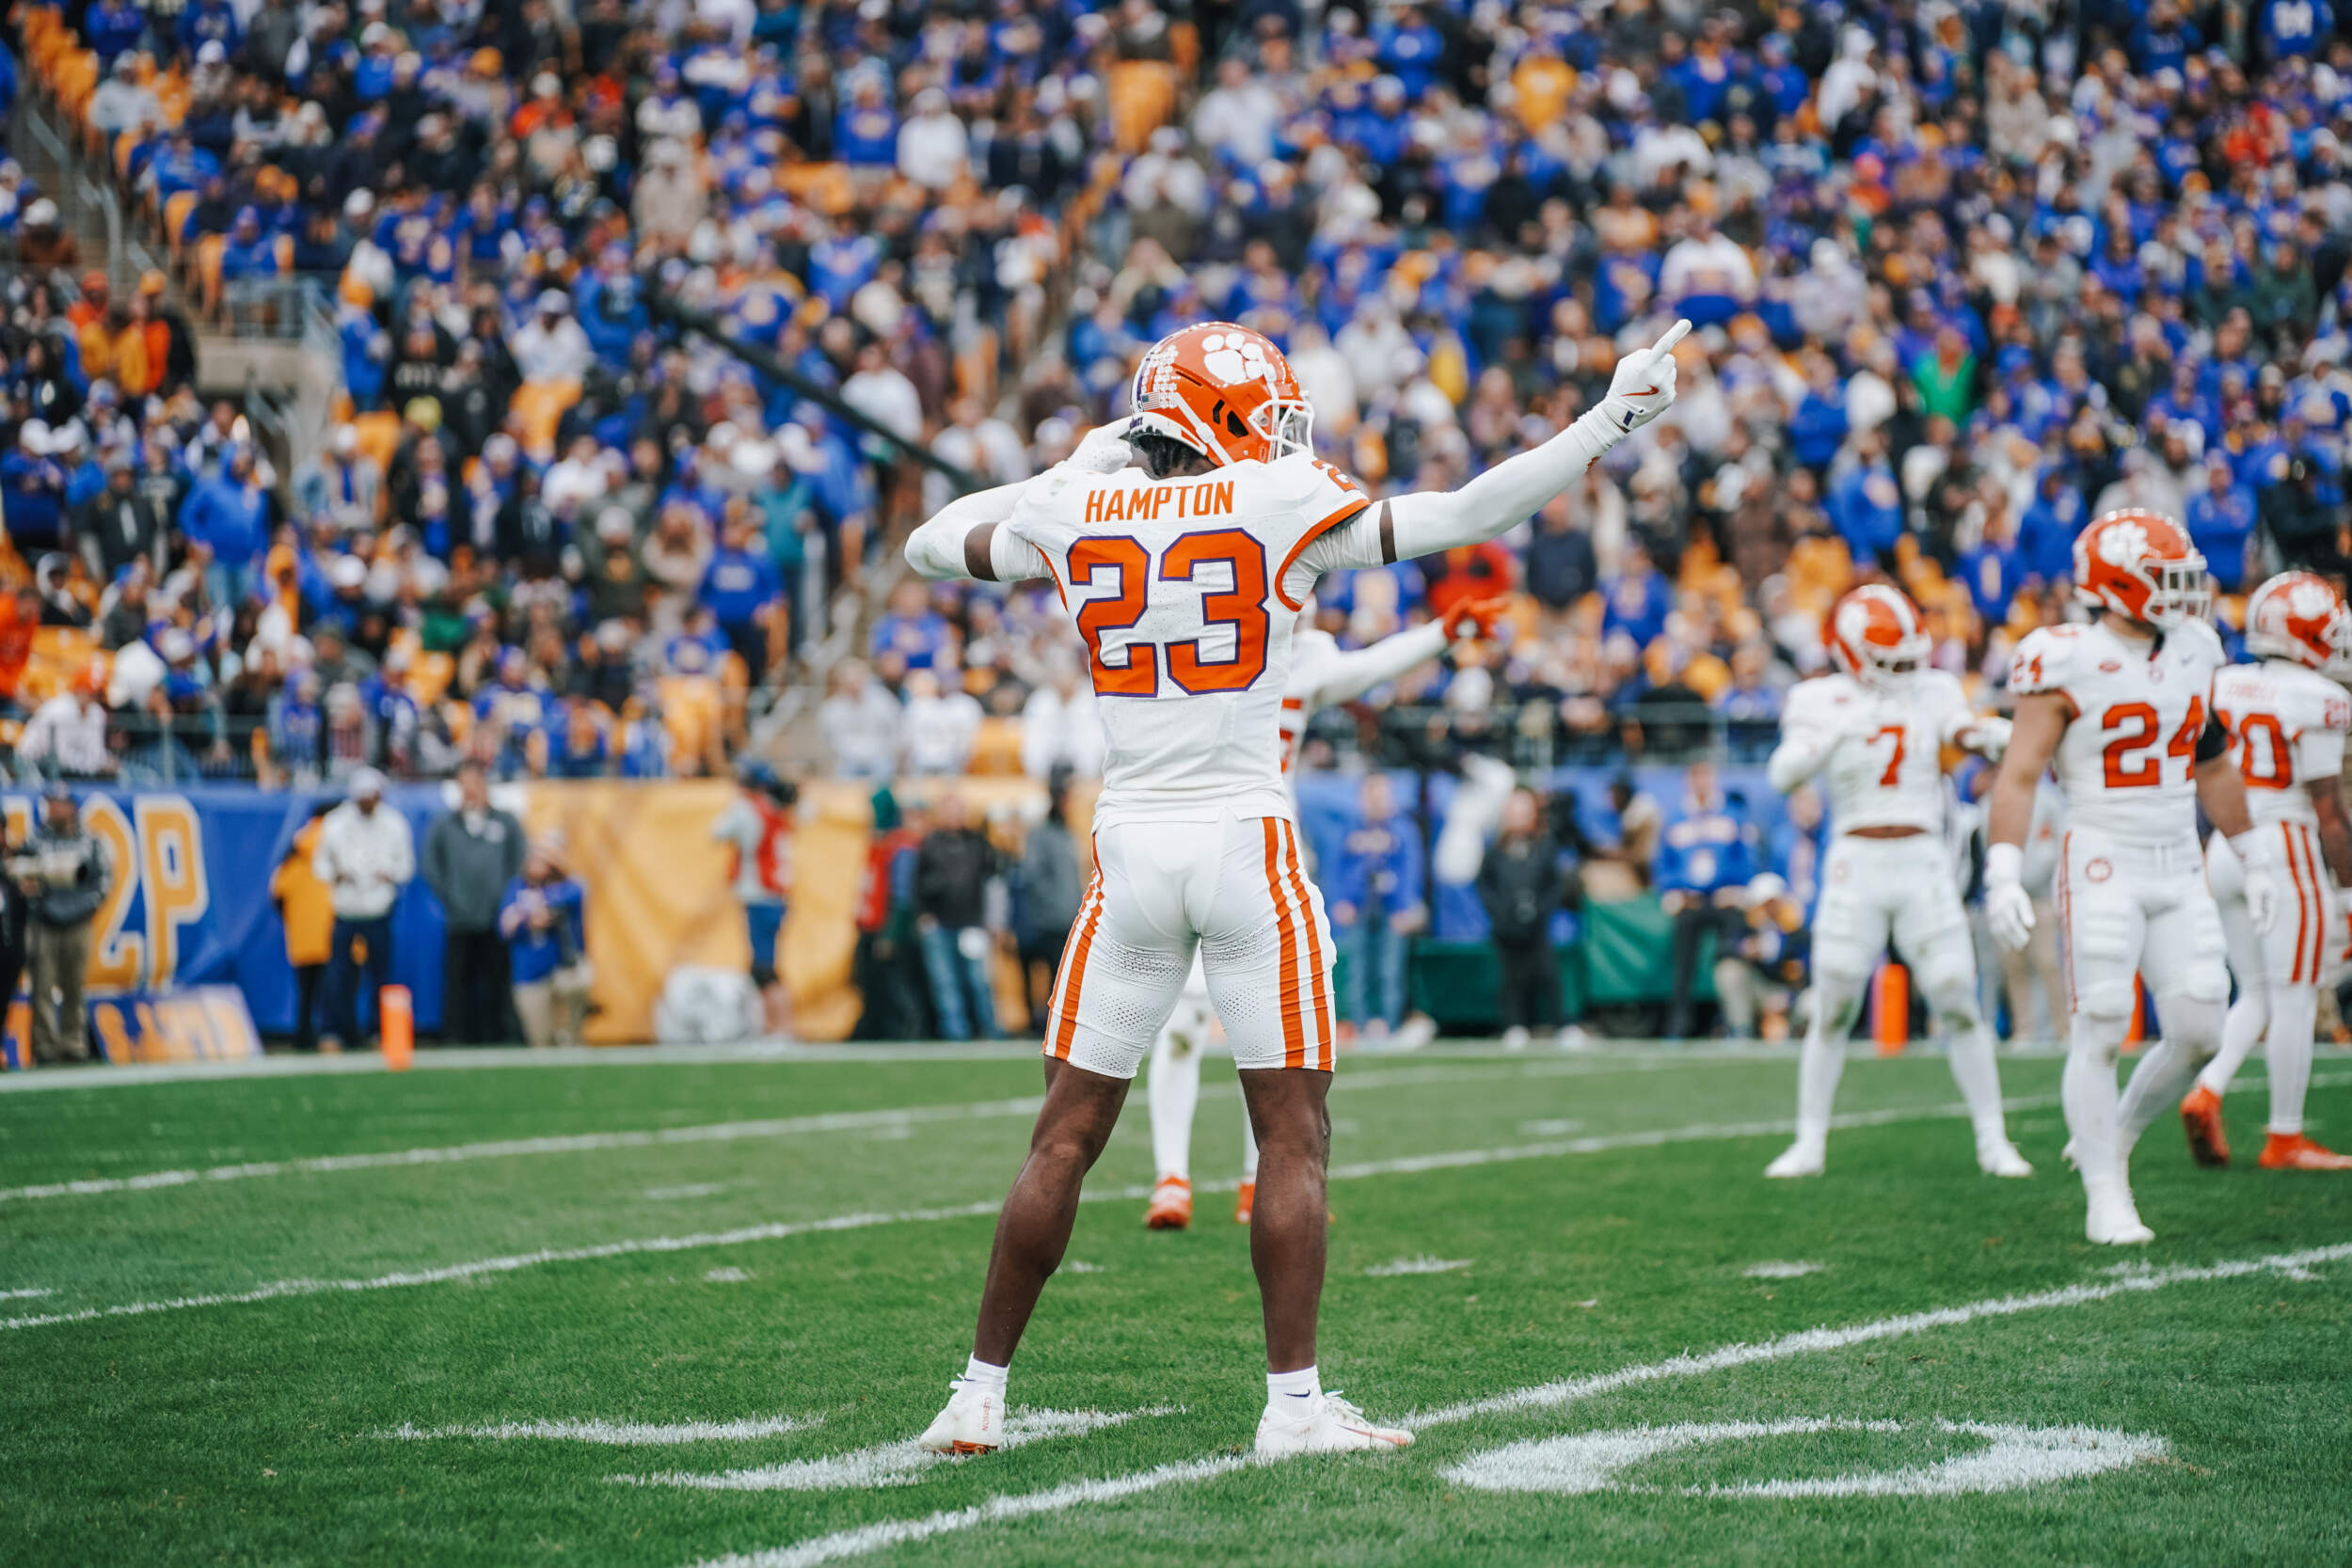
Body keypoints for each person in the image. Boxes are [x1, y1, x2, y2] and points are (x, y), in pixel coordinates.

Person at [900, 316, 1684, 1457]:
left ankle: (976, 1391)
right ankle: (1293, 1406)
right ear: (1219, 418)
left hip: (1128, 849)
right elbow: (1471, 511)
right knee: (1290, 1135)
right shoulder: (1274, 498)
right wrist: (1610, 419)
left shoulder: (1072, 507)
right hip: (1244, 841)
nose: (1280, 433)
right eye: (1263, 415)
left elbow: (929, 544)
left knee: (1061, 1136)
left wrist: (1074, 464)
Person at [1144, 594, 1503, 1229]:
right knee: (1182, 1021)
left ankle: (1258, 1179)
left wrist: (1442, 632)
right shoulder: (1205, 636)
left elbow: (1368, 668)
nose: (1299, 620)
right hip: (1188, 841)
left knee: (1267, 1023)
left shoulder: (1305, 656)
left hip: (1266, 853)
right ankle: (1171, 1177)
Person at [1984, 509, 2279, 1244]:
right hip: (2102, 855)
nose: (2184, 592)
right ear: (2119, 583)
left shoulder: (2196, 647)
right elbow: (2019, 773)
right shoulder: (2063, 657)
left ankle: (2110, 1137)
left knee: (2202, 1026)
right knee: (2104, 1022)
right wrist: (2003, 869)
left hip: (2178, 855)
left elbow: (2212, 761)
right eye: (2166, 578)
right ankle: (2105, 1192)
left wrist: (2253, 852)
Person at [1758, 585, 2029, 1179]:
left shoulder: (1932, 688)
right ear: (1851, 654)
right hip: (1855, 857)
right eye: (1891, 661)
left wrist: (1988, 735)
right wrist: (1832, 735)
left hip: (1920, 856)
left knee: (1957, 995)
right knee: (1833, 1002)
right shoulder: (1819, 699)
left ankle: (1993, 1140)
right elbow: (1782, 774)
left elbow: (1959, 729)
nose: (1906, 672)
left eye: (1911, 659)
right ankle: (1809, 1143)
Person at [2173, 574, 2352, 1170]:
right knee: (2295, 994)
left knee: (2257, 990)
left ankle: (2208, 1089)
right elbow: (2329, 812)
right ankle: (2285, 1138)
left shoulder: (2225, 681)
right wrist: (2349, 894)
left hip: (2228, 846)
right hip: (2283, 846)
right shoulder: (2319, 697)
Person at [421, 760, 527, 1044]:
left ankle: (499, 1034)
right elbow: (431, 866)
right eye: (464, 783)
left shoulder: (505, 821)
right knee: (458, 980)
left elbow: (519, 862)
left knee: (497, 978)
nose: (469, 790)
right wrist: (451, 898)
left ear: (484, 784)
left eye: (474, 782)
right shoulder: (445, 824)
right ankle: (457, 1035)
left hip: (496, 917)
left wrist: (505, 899)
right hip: (460, 917)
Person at [312, 767, 416, 1053]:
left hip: (379, 909)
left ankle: (379, 1031)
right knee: (338, 975)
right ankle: (335, 1031)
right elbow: (319, 865)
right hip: (345, 910)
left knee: (381, 974)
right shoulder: (335, 823)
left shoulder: (394, 823)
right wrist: (337, 873)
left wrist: (388, 873)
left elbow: (406, 867)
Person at [1654, 760, 1755, 1040]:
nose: (1701, 782)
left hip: (1724, 898)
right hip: (1690, 900)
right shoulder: (1676, 818)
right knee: (1683, 964)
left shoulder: (1731, 816)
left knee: (1731, 956)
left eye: (1705, 775)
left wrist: (1737, 889)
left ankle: (1734, 1021)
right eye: (1695, 776)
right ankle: (1678, 1023)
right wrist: (1675, 891)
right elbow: (1663, 864)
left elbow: (1746, 858)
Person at [1330, 772, 1425, 1044]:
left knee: (1390, 970)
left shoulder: (1402, 828)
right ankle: (1361, 1028)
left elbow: (1411, 868)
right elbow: (1338, 867)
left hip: (1391, 908)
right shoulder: (1351, 827)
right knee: (1358, 971)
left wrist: (1405, 906)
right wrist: (1342, 900)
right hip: (1360, 906)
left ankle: (1390, 1027)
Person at [18, 788, 108, 1064]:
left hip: (78, 924)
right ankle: (45, 1048)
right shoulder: (35, 839)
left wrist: (84, 908)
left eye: (57, 804)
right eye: (49, 803)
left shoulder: (89, 842)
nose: (51, 809)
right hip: (44, 924)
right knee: (42, 987)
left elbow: (104, 880)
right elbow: (20, 874)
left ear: (71, 807)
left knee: (74, 986)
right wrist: (35, 900)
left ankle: (74, 1043)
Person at [710, 758, 797, 1037]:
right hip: (776, 895)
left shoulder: (749, 809)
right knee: (763, 967)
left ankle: (781, 1027)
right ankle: (772, 1027)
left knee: (764, 969)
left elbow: (716, 832)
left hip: (761, 895)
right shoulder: (777, 809)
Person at [1479, 786, 1565, 1052]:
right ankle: (1514, 1024)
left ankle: (1561, 1024)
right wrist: (1500, 911)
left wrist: (1541, 909)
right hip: (1506, 927)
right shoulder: (1496, 849)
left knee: (1547, 974)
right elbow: (1484, 885)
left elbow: (1555, 884)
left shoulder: (1544, 846)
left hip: (1537, 926)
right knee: (1511, 979)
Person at [912, 791, 1000, 1041]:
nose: (955, 815)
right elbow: (917, 884)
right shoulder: (930, 844)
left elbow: (992, 881)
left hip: (972, 923)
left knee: (979, 981)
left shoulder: (978, 844)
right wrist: (923, 915)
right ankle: (955, 1033)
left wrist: (993, 920)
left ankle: (989, 1028)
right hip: (940, 923)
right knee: (945, 983)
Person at [501, 834, 589, 1048]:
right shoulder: (516, 887)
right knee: (541, 1040)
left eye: (546, 857)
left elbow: (571, 894)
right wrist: (529, 918)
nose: (539, 862)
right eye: (536, 856)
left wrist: (525, 910)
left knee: (570, 1035)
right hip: (529, 972)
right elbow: (505, 927)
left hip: (563, 970)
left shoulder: (569, 886)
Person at [1017, 771, 1085, 1022]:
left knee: (1062, 977)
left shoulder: (1066, 834)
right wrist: (1053, 907)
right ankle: (1043, 1023)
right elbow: (1032, 875)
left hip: (1068, 919)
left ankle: (1054, 1023)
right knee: (1051, 975)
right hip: (1050, 921)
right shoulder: (1041, 835)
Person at [270, 804, 337, 1052]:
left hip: (301, 934)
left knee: (306, 992)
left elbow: (277, 892)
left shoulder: (296, 851)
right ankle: (331, 1035)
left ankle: (304, 1037)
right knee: (332, 990)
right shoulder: (336, 842)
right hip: (331, 931)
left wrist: (294, 919)